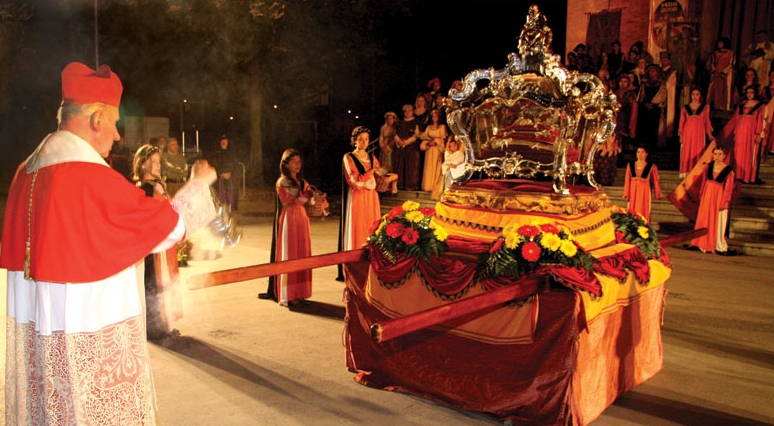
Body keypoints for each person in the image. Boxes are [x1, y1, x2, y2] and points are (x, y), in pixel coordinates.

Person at [0, 62, 217, 425]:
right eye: (115, 123)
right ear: (96, 118)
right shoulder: (86, 175)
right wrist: (199, 184)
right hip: (86, 328)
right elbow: (164, 227)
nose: (117, 135)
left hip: (41, 326)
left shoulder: (27, 170)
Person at [133, 144, 184, 340]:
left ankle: (166, 322)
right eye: (152, 161)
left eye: (157, 161)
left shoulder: (157, 185)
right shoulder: (145, 188)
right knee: (155, 284)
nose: (157, 165)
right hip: (154, 245)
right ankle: (155, 327)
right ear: (142, 163)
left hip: (164, 242)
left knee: (166, 282)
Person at [269, 149, 314, 307]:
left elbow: (307, 196)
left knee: (302, 251)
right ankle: (289, 294)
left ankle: (301, 292)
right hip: (289, 217)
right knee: (291, 252)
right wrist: (309, 195)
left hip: (301, 217)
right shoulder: (283, 181)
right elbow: (298, 198)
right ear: (286, 164)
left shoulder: (303, 182)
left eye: (299, 161)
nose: (297, 165)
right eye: (294, 162)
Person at [337, 126, 382, 281]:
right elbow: (353, 181)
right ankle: (355, 266)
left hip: (371, 197)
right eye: (360, 139)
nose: (363, 142)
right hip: (358, 197)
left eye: (366, 139)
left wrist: (388, 178)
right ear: (354, 140)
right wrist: (371, 172)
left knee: (372, 227)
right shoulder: (348, 157)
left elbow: (379, 175)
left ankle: (371, 263)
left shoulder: (372, 158)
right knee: (358, 227)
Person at [689, 146, 736, 255]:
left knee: (716, 219)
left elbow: (728, 188)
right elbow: (703, 182)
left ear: (724, 156)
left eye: (720, 154)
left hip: (718, 196)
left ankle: (714, 243)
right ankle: (699, 242)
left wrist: (724, 202)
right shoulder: (708, 167)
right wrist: (701, 194)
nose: (717, 156)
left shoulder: (728, 170)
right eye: (715, 154)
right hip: (707, 194)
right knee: (704, 217)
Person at [730, 86, 765, 184]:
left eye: (751, 92)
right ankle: (738, 175)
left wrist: (758, 134)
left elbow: (760, 120)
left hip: (751, 133)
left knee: (750, 154)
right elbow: (737, 120)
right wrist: (735, 133)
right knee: (739, 153)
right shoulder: (742, 105)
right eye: (747, 92)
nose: (749, 94)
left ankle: (748, 177)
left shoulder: (760, 106)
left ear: (755, 93)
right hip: (741, 132)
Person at [678, 87, 715, 178]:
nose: (695, 96)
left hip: (699, 132)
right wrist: (681, 135)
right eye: (693, 94)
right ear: (691, 96)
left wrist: (709, 134)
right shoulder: (685, 107)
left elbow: (706, 121)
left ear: (700, 96)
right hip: (688, 132)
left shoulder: (704, 107)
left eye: (697, 94)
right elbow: (682, 122)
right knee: (687, 150)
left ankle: (697, 171)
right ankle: (686, 171)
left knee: (698, 150)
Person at [623, 145, 662, 223]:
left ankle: (643, 228)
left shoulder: (651, 166)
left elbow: (656, 181)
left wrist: (658, 193)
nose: (640, 154)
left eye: (642, 152)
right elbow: (627, 180)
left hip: (644, 192)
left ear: (646, 154)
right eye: (638, 152)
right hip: (633, 191)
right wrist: (626, 193)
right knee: (632, 210)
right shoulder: (630, 165)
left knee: (643, 210)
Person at [636, 64, 667, 152]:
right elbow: (642, 95)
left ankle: (653, 145)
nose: (652, 73)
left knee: (654, 127)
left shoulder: (661, 84)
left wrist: (654, 104)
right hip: (645, 108)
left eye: (654, 71)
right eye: (650, 71)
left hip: (656, 108)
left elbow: (662, 96)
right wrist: (645, 103)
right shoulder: (645, 84)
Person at [419, 108, 448, 193]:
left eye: (436, 116)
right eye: (433, 117)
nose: (434, 118)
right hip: (430, 150)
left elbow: (443, 139)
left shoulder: (442, 127)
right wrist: (427, 143)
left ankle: (435, 186)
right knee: (429, 167)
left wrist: (435, 142)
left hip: (437, 150)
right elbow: (424, 137)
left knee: (436, 167)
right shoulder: (428, 127)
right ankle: (427, 186)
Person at [393, 103, 421, 190]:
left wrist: (406, 142)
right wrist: (399, 141)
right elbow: (394, 133)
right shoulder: (399, 123)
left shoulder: (416, 122)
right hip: (400, 147)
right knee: (400, 166)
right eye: (406, 111)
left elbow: (416, 135)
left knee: (411, 167)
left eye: (409, 111)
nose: (408, 112)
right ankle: (400, 185)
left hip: (412, 148)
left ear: (413, 111)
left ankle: (411, 185)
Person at [706, 37, 735, 111]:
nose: (719, 44)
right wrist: (715, 71)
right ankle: (715, 106)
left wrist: (724, 72)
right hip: (716, 75)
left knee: (725, 90)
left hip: (725, 75)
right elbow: (712, 63)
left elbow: (731, 64)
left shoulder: (730, 53)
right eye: (718, 43)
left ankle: (725, 107)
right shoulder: (715, 53)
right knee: (716, 90)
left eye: (721, 43)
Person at [213, 134, 239, 211]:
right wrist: (221, 173)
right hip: (220, 177)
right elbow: (215, 164)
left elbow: (235, 164)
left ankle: (232, 208)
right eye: (223, 141)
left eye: (226, 141)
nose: (224, 143)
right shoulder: (216, 153)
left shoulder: (232, 153)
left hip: (230, 177)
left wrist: (230, 173)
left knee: (232, 192)